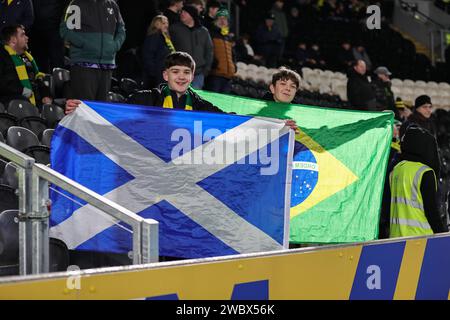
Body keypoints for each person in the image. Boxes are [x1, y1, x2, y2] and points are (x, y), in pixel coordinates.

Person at [66, 52, 298, 132]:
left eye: (186, 72)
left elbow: (230, 121)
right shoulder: (146, 97)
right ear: (165, 75)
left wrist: (275, 126)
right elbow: (113, 114)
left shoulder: (198, 103)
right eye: (175, 71)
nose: (181, 76)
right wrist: (82, 109)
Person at [60, 0, 126, 101]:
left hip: (106, 65)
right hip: (83, 64)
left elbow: (121, 30)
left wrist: (114, 46)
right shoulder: (77, 4)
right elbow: (65, 30)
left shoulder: (112, 5)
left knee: (100, 111)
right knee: (85, 109)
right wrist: (85, 44)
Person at [389, 125, 448, 238]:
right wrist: (442, 235)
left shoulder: (396, 169)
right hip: (421, 238)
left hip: (396, 237)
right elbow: (431, 211)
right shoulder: (425, 172)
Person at [0, 24, 51, 107]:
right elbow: (3, 83)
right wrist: (22, 91)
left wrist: (46, 95)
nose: (27, 38)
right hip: (12, 102)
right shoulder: (3, 57)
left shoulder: (27, 58)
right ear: (13, 40)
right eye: (22, 35)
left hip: (34, 101)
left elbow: (38, 79)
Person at [170, 5, 213, 89]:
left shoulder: (203, 31)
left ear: (192, 15)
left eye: (185, 12)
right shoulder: (174, 29)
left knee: (193, 99)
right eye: (181, 12)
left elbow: (209, 51)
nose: (182, 14)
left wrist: (206, 71)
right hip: (179, 72)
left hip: (198, 73)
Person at [29, 0, 69, 73]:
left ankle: (60, 83)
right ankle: (42, 83)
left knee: (57, 63)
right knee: (39, 64)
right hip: (36, 32)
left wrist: (60, 22)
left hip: (54, 30)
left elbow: (67, 6)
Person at [205, 8, 236, 94]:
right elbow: (208, 51)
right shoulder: (211, 34)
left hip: (228, 76)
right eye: (220, 18)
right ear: (215, 21)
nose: (223, 21)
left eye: (225, 19)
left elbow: (233, 55)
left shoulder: (228, 37)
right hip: (215, 75)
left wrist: (234, 66)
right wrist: (213, 64)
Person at [142, 15, 175, 89]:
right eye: (163, 23)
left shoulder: (165, 38)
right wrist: (154, 74)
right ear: (157, 24)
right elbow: (148, 56)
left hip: (165, 73)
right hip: (158, 75)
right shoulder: (154, 37)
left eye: (167, 23)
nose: (166, 25)